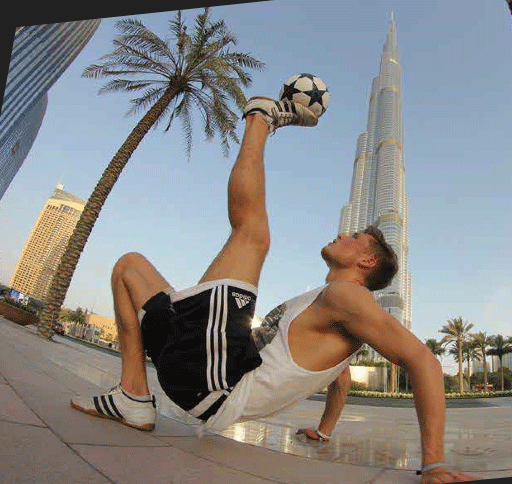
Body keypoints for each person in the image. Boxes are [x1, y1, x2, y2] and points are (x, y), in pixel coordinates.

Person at [70, 95, 475, 483]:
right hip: (202, 376)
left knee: (252, 235)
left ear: (366, 262)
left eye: (355, 237)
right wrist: (324, 432)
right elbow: (340, 381)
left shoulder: (348, 297)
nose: (343, 235)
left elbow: (423, 360)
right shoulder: (333, 308)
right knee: (130, 268)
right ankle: (133, 396)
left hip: (218, 384)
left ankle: (260, 119)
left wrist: (434, 463)